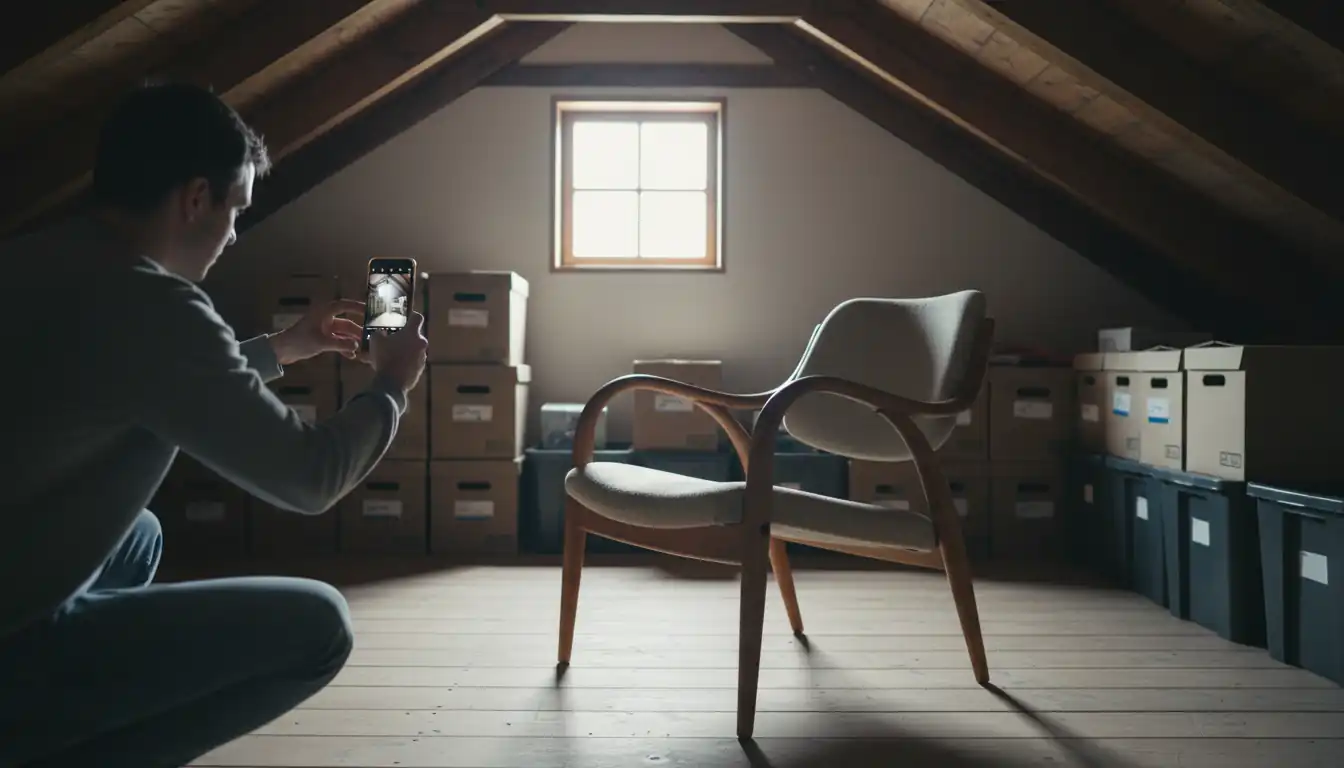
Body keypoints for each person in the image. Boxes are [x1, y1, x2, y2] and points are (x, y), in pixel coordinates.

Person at [0, 82, 428, 766]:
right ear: (195, 198)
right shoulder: (156, 305)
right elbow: (309, 478)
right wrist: (390, 385)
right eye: (235, 210)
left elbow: (145, 384)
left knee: (138, 536)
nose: (233, 234)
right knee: (319, 626)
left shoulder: (35, 256)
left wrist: (284, 347)